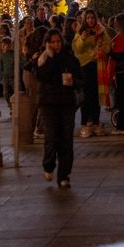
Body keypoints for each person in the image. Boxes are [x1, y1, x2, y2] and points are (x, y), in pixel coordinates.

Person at [35, 29, 82, 187]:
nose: (56, 45)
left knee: (66, 140)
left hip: (66, 102)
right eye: (53, 42)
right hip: (49, 103)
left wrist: (73, 81)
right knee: (52, 137)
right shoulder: (44, 59)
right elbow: (42, 75)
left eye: (58, 41)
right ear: (48, 43)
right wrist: (51, 57)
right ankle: (48, 165)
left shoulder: (69, 58)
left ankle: (64, 175)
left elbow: (80, 77)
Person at [71, 9, 111, 137]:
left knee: (96, 95)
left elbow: (108, 44)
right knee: (86, 96)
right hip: (85, 66)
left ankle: (96, 122)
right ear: (84, 20)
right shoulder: (80, 32)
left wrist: (101, 50)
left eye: (92, 18)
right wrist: (82, 39)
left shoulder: (101, 31)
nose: (90, 20)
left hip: (97, 65)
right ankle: (85, 123)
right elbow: (76, 49)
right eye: (88, 18)